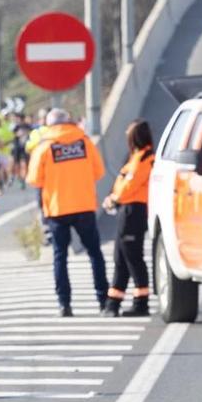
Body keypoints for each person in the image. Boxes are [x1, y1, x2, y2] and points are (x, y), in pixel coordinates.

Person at [26, 107, 110, 317]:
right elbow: (99, 172)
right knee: (95, 254)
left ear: (49, 125)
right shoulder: (85, 142)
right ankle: (103, 300)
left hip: (56, 209)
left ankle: (65, 304)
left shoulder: (44, 146)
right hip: (84, 205)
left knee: (60, 256)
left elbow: (34, 179)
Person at [104, 119, 156, 316]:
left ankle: (141, 302)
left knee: (133, 257)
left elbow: (130, 185)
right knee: (121, 257)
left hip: (135, 211)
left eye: (129, 133)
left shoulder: (145, 158)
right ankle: (113, 303)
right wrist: (113, 197)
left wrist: (115, 199)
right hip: (127, 209)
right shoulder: (136, 157)